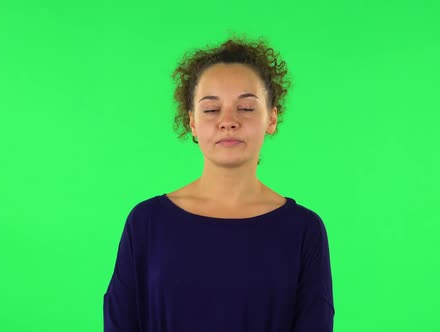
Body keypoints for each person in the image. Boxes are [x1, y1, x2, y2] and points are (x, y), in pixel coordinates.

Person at [103, 34, 335, 332]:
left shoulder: (304, 230)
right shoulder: (147, 222)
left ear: (272, 118)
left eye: (246, 108)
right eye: (212, 109)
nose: (228, 121)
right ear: (193, 123)